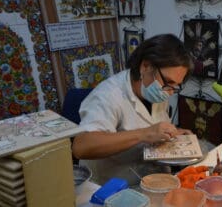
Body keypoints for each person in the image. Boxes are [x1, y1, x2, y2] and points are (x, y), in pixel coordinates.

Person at [72, 34, 194, 185]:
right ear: (146, 66)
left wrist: (174, 133)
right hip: (114, 187)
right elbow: (81, 146)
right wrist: (143, 134)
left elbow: (154, 125)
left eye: (175, 86)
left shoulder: (158, 90)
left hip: (153, 178)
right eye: (168, 82)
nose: (169, 92)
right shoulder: (108, 95)